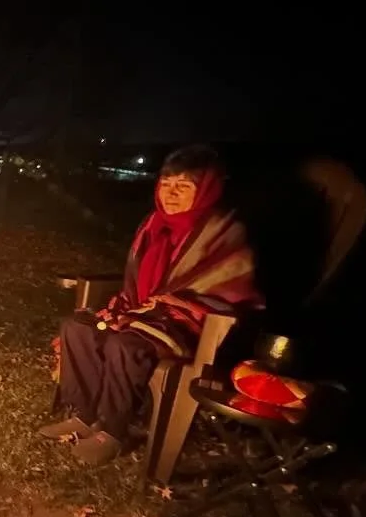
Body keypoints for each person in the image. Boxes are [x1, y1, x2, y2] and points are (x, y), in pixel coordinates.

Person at [40, 145, 262, 466]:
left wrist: (167, 305)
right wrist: (130, 310)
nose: (171, 193)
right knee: (77, 328)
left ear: (206, 190)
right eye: (166, 184)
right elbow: (136, 283)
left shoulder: (224, 231)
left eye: (184, 186)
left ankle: (113, 430)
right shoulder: (152, 225)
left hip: (190, 325)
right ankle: (85, 416)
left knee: (125, 343)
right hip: (144, 313)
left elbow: (228, 291)